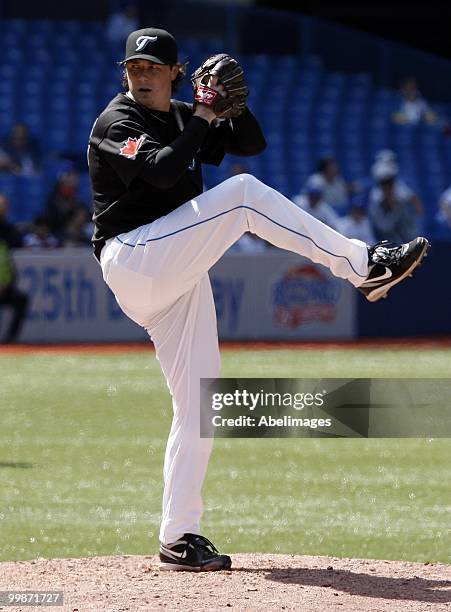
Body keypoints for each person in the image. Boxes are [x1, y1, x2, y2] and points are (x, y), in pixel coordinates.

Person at [88, 27, 429, 572]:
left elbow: (251, 144)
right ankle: (363, 265)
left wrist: (229, 108)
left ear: (176, 72)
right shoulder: (116, 121)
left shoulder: (183, 114)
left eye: (153, 68)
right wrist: (202, 116)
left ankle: (178, 536)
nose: (142, 76)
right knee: (244, 195)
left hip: (175, 273)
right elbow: (161, 170)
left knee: (200, 403)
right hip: (132, 259)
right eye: (134, 67)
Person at [45, 169, 90, 244]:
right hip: (59, 230)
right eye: (70, 181)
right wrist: (71, 220)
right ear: (63, 181)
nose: (73, 183)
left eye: (74, 181)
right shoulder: (54, 198)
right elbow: (54, 218)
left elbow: (86, 213)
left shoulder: (76, 198)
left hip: (76, 230)